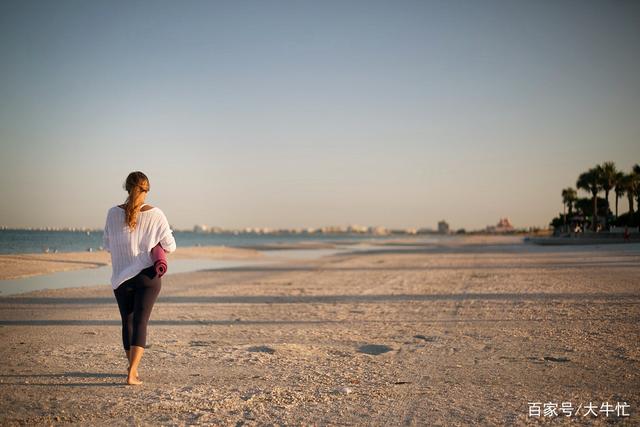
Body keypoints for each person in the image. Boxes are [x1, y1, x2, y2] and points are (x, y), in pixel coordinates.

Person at [102, 171, 177, 385]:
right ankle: (132, 372)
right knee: (141, 321)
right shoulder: (156, 214)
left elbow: (107, 244)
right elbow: (170, 246)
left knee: (128, 321)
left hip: (121, 277)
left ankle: (131, 368)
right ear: (147, 190)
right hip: (147, 276)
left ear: (127, 188)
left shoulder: (112, 214)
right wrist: (151, 244)